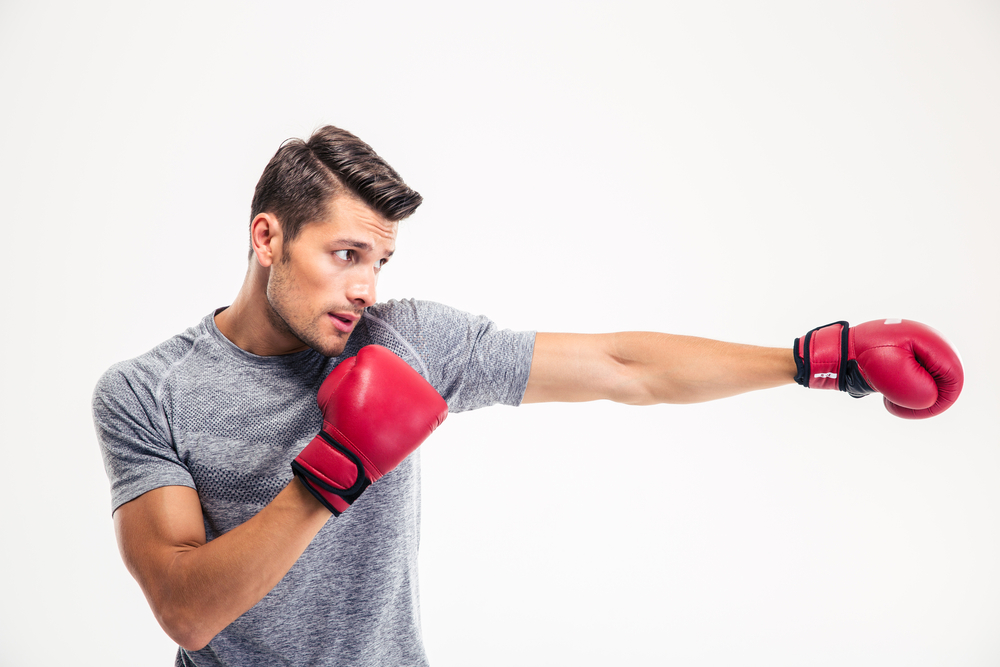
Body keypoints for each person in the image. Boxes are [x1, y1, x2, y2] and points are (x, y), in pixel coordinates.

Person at [92, 125, 964, 667]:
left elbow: (624, 365)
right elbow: (186, 610)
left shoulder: (403, 340)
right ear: (267, 237)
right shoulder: (146, 392)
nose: (365, 287)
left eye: (380, 261)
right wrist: (334, 472)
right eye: (346, 254)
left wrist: (815, 358)